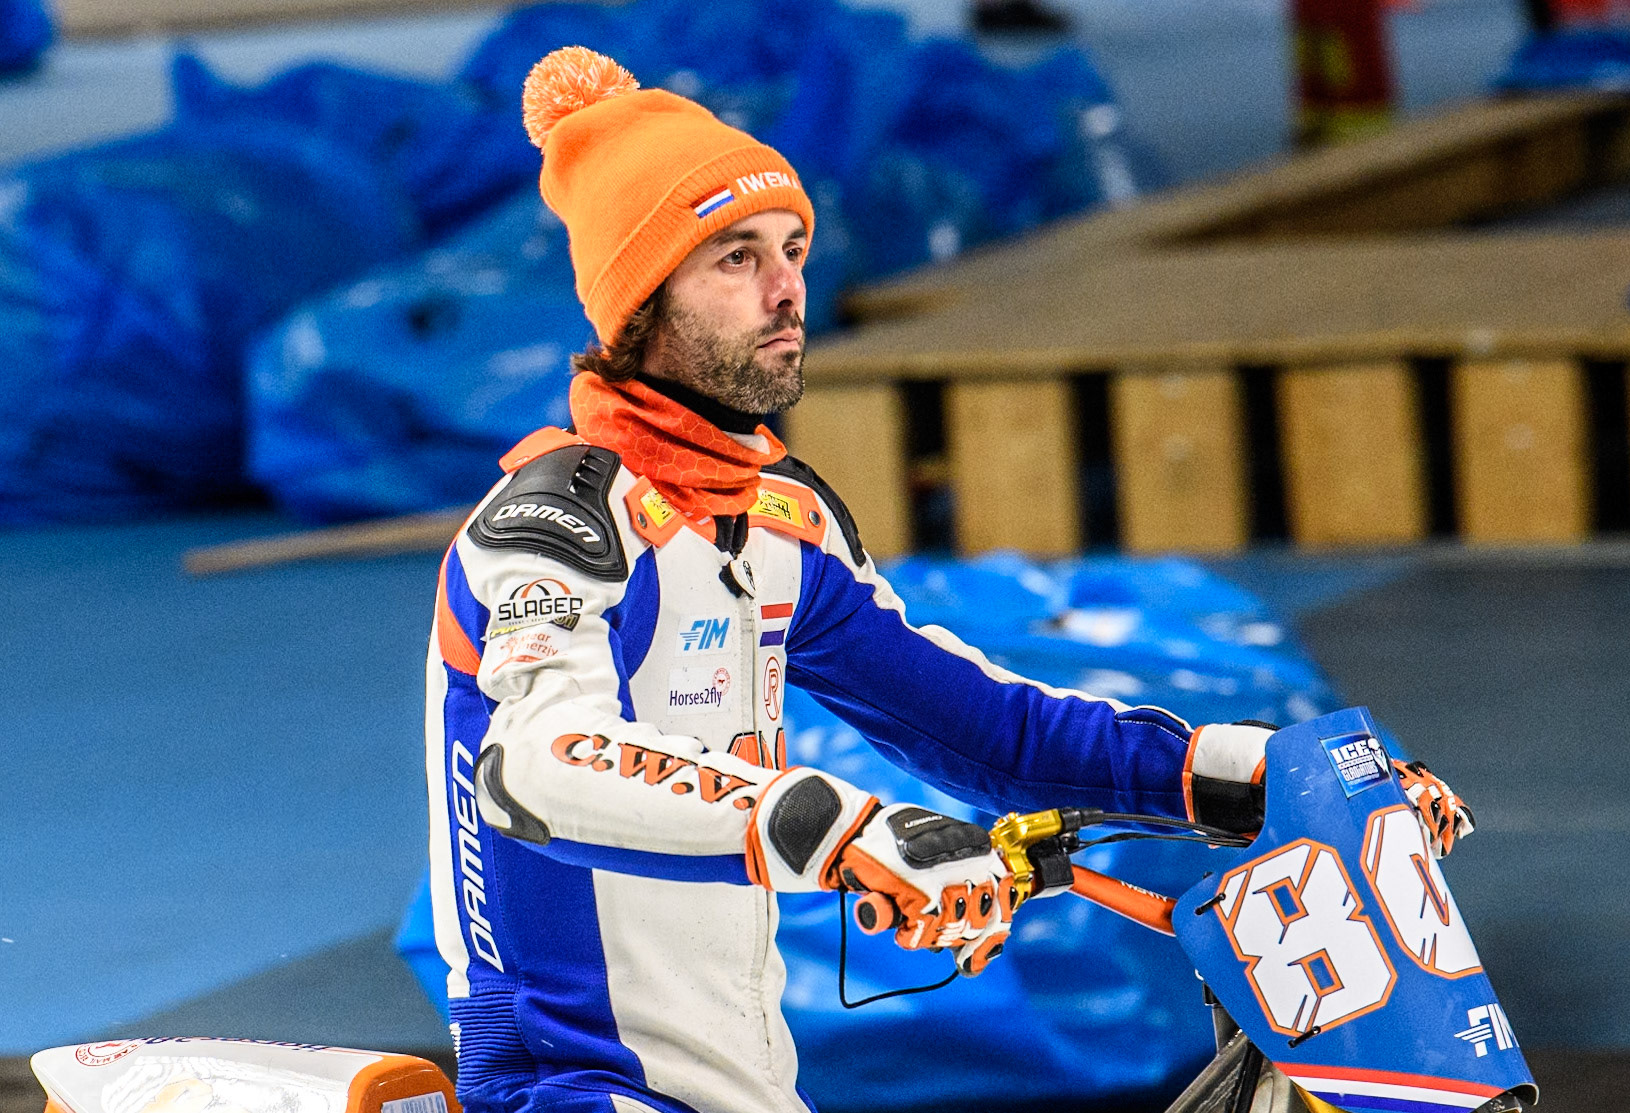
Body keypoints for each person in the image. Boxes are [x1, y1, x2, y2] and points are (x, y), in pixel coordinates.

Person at [426, 46, 1475, 1113]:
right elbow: (540, 765)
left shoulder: (779, 524)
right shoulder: (556, 523)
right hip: (569, 1086)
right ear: (643, 301)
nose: (788, 288)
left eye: (792, 248)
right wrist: (845, 827)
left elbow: (987, 733)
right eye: (734, 258)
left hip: (741, 1083)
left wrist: (1248, 771)